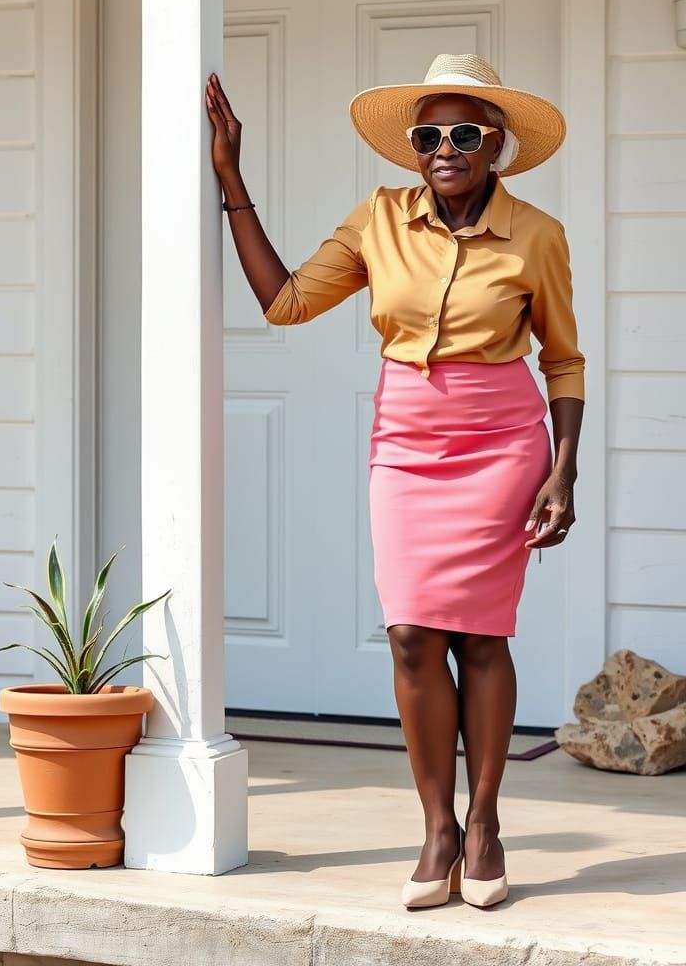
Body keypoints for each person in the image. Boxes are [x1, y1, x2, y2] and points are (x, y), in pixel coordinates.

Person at [205, 53, 584, 910]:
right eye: (427, 136)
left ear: (497, 145)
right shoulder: (378, 219)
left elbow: (562, 360)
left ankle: (484, 823)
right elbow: (287, 302)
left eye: (462, 134)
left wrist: (563, 470)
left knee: (482, 637)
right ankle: (436, 826)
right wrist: (233, 178)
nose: (442, 148)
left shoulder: (538, 235)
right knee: (412, 633)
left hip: (502, 442)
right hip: (408, 443)